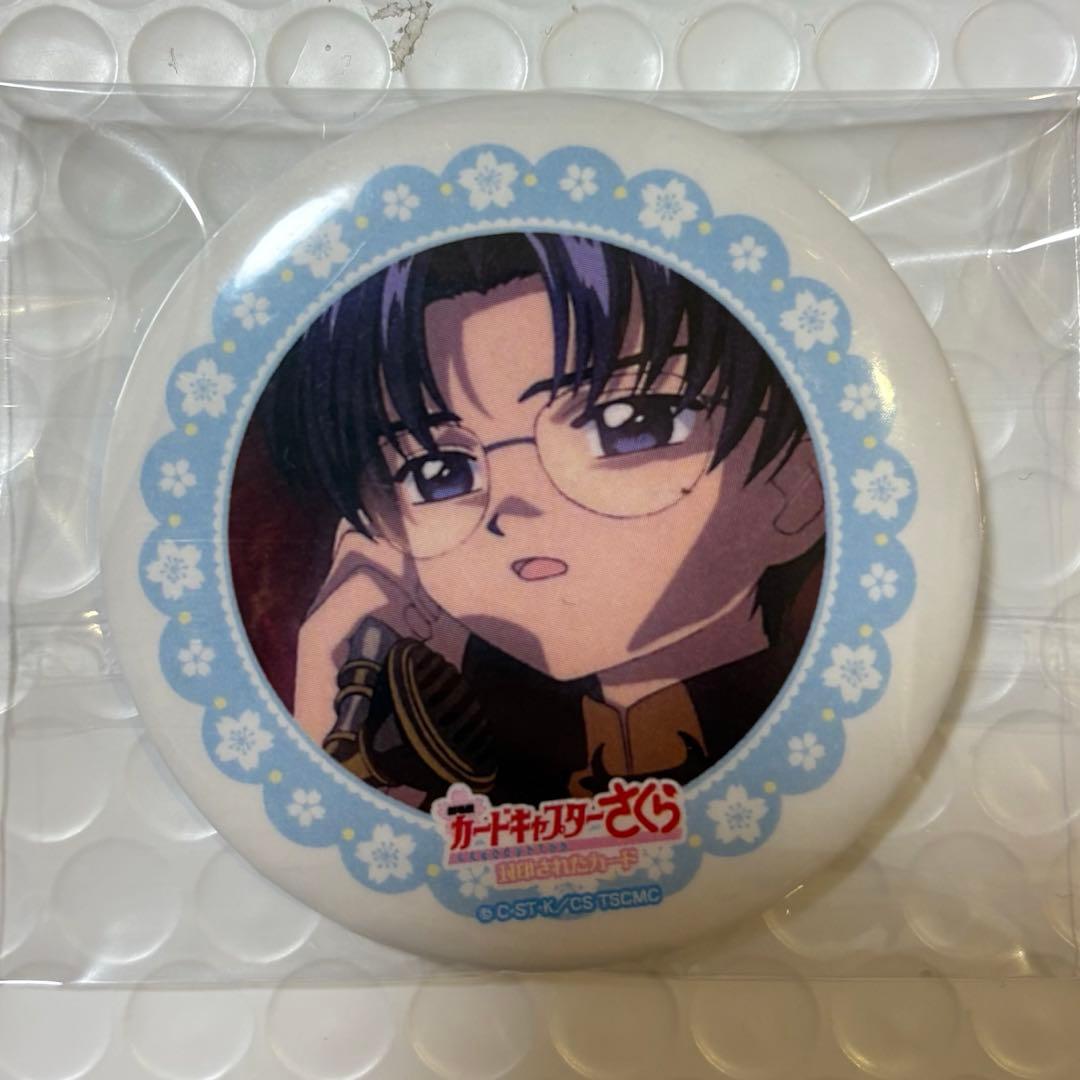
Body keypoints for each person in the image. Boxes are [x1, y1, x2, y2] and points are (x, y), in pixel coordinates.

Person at [251, 232, 825, 810]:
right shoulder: (470, 787)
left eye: (630, 425)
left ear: (797, 488)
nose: (514, 508)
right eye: (438, 472)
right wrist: (342, 719)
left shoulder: (817, 744)